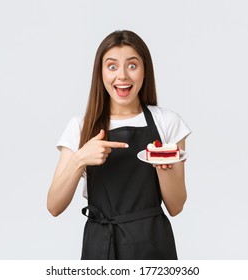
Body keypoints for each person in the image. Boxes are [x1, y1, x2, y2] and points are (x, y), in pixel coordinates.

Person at [47, 30, 192, 260]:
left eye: (132, 66)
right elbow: (54, 206)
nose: (122, 76)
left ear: (145, 70)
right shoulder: (80, 127)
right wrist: (79, 159)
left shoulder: (167, 122)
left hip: (153, 247)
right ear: (100, 73)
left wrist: (163, 167)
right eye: (112, 66)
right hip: (101, 247)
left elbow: (176, 206)